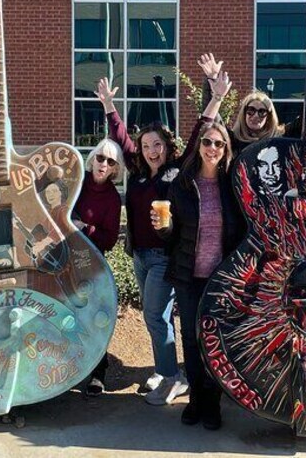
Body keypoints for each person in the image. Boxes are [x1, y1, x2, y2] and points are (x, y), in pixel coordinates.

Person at [95, 63, 231, 406]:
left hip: (164, 257)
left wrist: (216, 98)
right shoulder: (138, 172)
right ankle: (165, 369)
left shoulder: (177, 171)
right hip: (139, 255)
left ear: (167, 146)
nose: (151, 150)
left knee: (154, 315)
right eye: (146, 145)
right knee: (159, 315)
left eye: (157, 144)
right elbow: (121, 137)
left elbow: (202, 131)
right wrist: (109, 107)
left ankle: (172, 377)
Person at [152, 120, 244, 430]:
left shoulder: (232, 186)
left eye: (219, 144)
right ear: (199, 146)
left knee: (216, 343)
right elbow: (173, 235)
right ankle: (195, 401)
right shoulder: (182, 184)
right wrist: (163, 228)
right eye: (208, 142)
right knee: (191, 341)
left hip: (221, 279)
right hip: (189, 277)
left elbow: (243, 231)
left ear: (226, 149)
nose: (213, 148)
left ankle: (213, 403)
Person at [72, 138, 125, 396]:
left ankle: (97, 373)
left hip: (92, 263)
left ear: (115, 168)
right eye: (100, 158)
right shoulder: (76, 184)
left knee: (93, 317)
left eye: (110, 161)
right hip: (63, 260)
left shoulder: (113, 199)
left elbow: (111, 239)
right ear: (92, 159)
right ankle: (69, 369)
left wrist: (86, 229)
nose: (103, 164)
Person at [197, 54, 282, 157]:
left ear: (269, 116)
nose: (255, 116)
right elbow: (211, 117)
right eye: (251, 110)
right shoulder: (232, 140)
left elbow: (303, 121)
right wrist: (212, 78)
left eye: (262, 112)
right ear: (244, 113)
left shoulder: (277, 141)